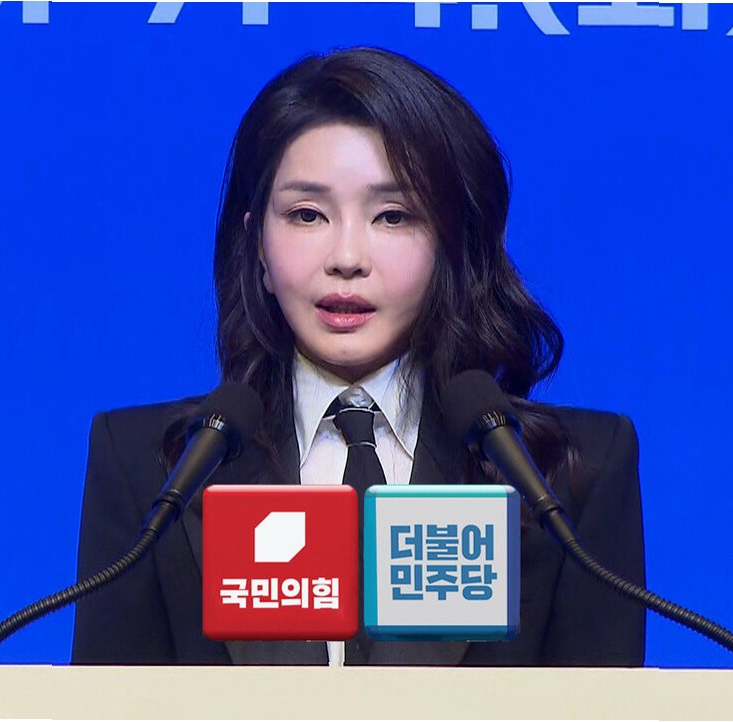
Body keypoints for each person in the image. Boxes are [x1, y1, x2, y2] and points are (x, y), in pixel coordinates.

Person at [71, 46, 645, 666]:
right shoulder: (149, 467)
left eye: (393, 217)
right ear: (257, 244)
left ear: (453, 245)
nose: (346, 258)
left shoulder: (569, 474)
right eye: (307, 215)